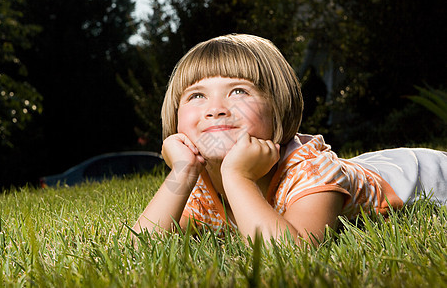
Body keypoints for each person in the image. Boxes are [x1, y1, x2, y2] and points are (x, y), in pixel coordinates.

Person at [132, 34, 447, 244]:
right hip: (364, 167)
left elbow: (289, 255)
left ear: (277, 107)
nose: (215, 109)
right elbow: (140, 246)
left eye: (239, 91)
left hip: (424, 171)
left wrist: (237, 177)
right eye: (197, 95)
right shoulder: (198, 182)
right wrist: (182, 173)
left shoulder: (311, 169)